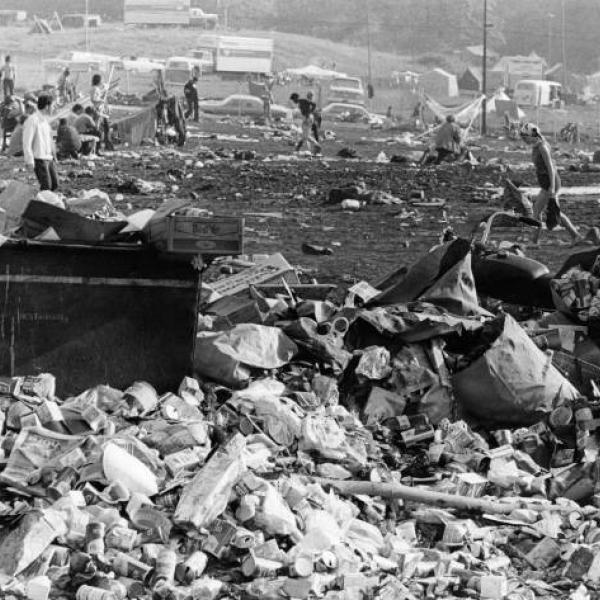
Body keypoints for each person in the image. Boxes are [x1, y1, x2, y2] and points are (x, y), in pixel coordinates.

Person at [520, 122, 584, 246]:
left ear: (531, 135)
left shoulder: (542, 147)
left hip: (550, 183)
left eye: (524, 137)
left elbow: (550, 167)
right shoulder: (537, 145)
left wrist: (552, 188)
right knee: (555, 212)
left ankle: (534, 241)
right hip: (547, 182)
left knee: (536, 212)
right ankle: (576, 236)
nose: (523, 140)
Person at [23, 94, 58, 191]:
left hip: (49, 158)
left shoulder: (46, 121)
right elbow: (27, 141)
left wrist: (54, 154)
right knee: (46, 186)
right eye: (53, 106)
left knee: (55, 184)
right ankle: (42, 203)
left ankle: (47, 201)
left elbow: (51, 139)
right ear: (47, 106)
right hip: (39, 158)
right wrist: (29, 160)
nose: (54, 108)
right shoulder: (32, 120)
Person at [90, 73, 113, 150]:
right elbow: (94, 99)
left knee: (106, 127)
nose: (102, 81)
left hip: (100, 109)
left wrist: (105, 89)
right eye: (101, 80)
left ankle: (107, 144)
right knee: (100, 127)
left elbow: (99, 94)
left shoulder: (95, 88)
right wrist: (101, 100)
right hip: (98, 110)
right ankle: (98, 146)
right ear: (98, 80)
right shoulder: (94, 88)